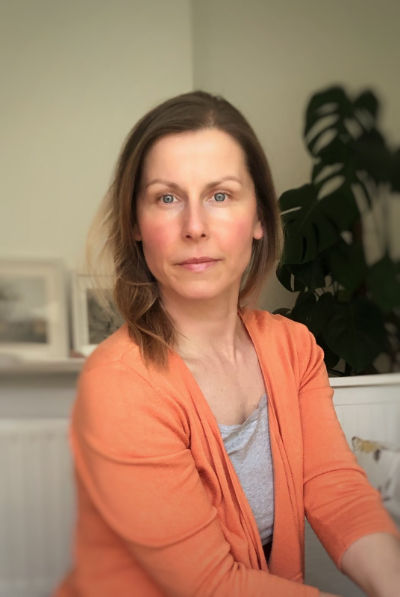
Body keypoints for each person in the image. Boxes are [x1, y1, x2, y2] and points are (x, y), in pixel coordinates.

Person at [53, 91, 400, 597]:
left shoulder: (293, 347)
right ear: (135, 225)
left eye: (220, 195)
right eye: (167, 198)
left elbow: (337, 493)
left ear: (259, 217)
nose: (194, 227)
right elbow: (210, 585)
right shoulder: (119, 383)